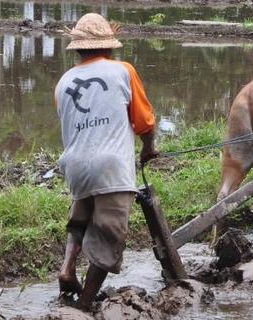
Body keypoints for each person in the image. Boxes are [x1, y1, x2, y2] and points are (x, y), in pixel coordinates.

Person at [54, 13, 158, 311]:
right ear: (109, 46)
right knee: (109, 234)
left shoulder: (63, 82)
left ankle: (67, 266)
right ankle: (85, 304)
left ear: (79, 48)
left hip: (75, 166)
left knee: (80, 218)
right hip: (111, 167)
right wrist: (148, 148)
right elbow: (144, 122)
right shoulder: (123, 71)